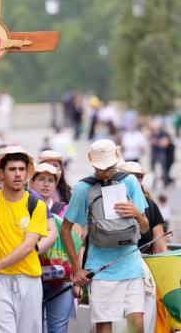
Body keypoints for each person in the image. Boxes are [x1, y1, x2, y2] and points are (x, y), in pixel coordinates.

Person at [61, 139, 149, 333]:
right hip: (100, 267)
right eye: (100, 169)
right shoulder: (83, 188)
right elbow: (65, 229)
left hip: (131, 263)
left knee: (137, 324)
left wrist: (136, 213)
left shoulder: (130, 181)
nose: (105, 173)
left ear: (116, 161)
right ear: (91, 164)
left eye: (109, 168)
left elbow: (144, 228)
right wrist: (77, 269)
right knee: (104, 326)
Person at [0, 146, 48, 333]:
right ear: (1, 174)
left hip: (29, 280)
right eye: (12, 169)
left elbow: (28, 246)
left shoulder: (36, 205)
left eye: (21, 169)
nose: (17, 174)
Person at [30, 163, 79, 333]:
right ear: (31, 182)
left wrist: (77, 273)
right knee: (34, 327)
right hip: (30, 277)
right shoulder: (22, 208)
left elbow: (78, 245)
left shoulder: (65, 209)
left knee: (58, 329)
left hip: (61, 278)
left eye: (51, 180)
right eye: (41, 179)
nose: (46, 184)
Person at [119, 162, 168, 254]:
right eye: (130, 176)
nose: (135, 180)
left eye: (139, 176)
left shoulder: (151, 205)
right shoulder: (111, 202)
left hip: (143, 260)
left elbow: (160, 247)